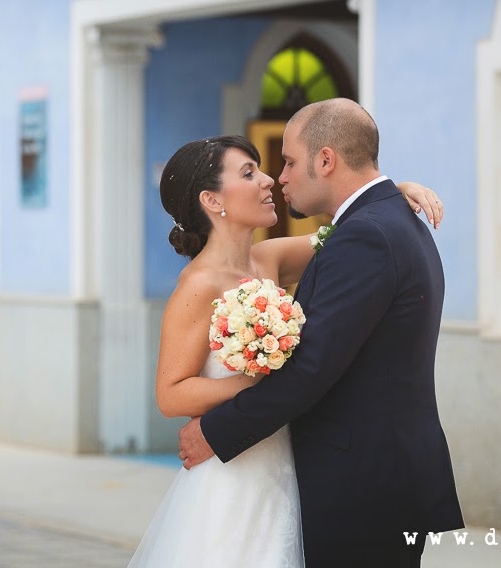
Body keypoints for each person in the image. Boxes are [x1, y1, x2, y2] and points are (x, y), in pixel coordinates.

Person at [127, 127, 445, 568]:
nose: (269, 181)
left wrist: (394, 192)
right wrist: (257, 379)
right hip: (233, 474)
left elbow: (348, 234)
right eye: (249, 172)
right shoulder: (197, 286)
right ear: (212, 200)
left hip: (287, 465)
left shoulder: (269, 257)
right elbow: (170, 394)